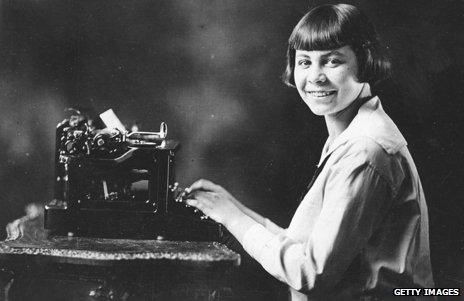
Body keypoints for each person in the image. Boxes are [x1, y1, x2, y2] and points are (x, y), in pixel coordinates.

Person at [185, 4, 434, 300]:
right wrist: (231, 208)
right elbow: (301, 246)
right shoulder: (351, 134)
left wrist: (232, 218)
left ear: (365, 61)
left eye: (332, 61)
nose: (315, 77)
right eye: (305, 62)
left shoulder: (364, 150)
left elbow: (308, 273)